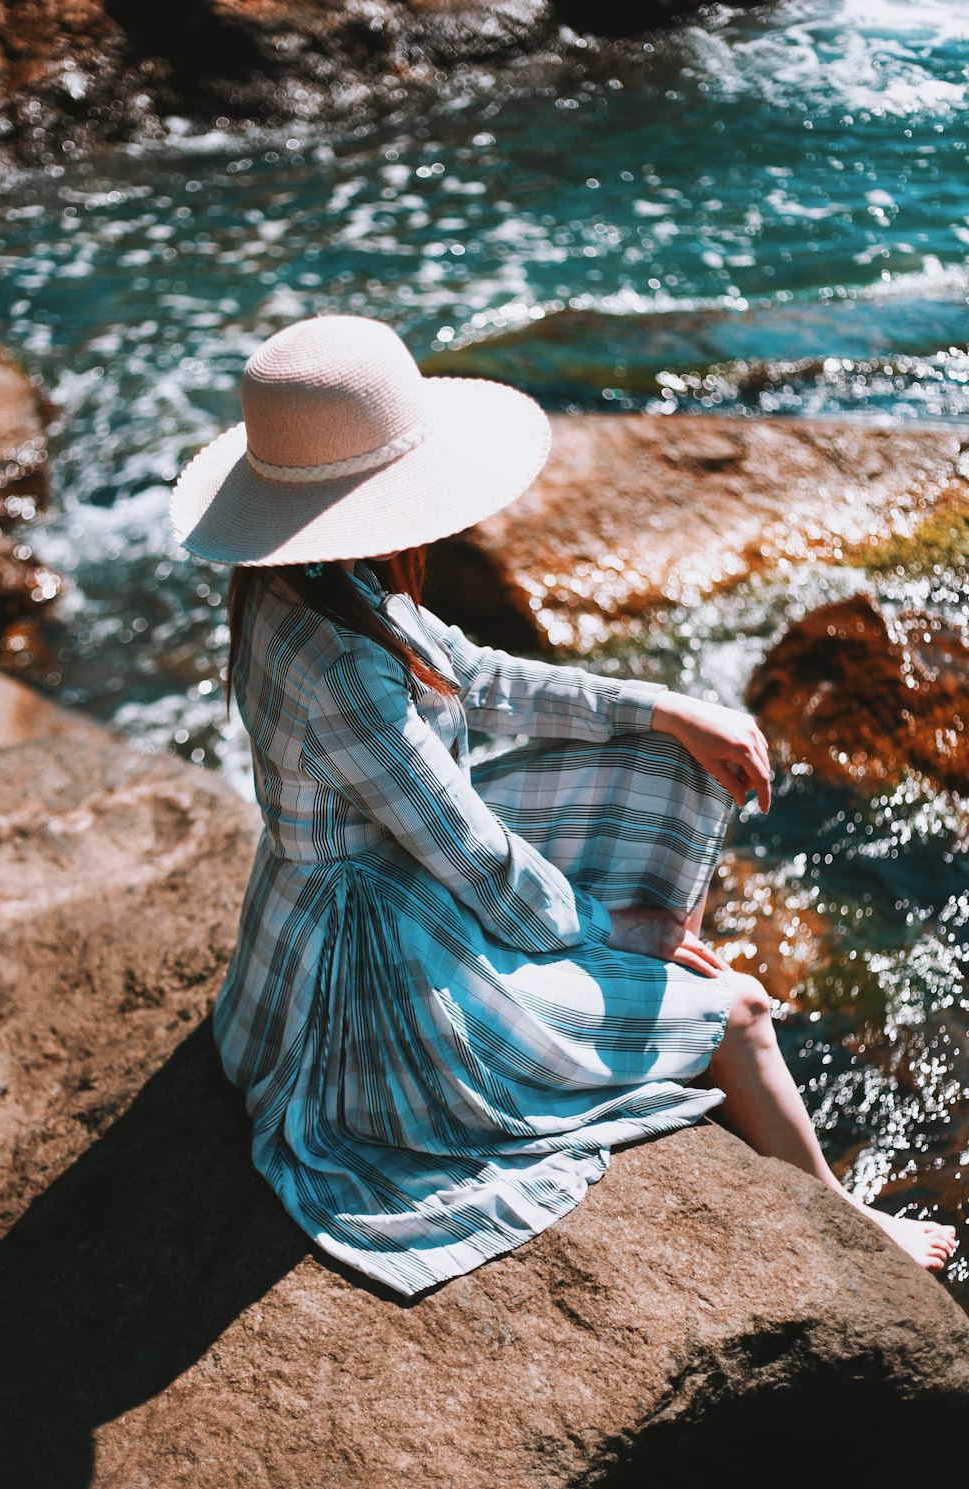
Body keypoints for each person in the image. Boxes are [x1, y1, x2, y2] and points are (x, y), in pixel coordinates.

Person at [171, 314, 956, 1296]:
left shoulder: (305, 584)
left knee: (659, 751)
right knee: (739, 1013)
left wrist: (660, 706)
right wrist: (609, 928)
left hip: (356, 893)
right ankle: (843, 1223)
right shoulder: (342, 666)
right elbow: (466, 852)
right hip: (371, 973)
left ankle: (635, 985)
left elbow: (479, 679)